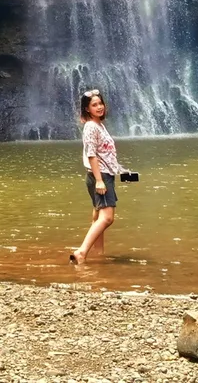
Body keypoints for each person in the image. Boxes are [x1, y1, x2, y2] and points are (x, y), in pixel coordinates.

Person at [69, 88, 123, 265]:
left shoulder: (99, 125)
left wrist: (120, 169)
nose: (99, 107)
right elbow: (91, 154)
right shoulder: (91, 127)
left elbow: (104, 154)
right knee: (107, 218)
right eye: (94, 105)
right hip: (100, 177)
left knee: (97, 217)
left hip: (102, 174)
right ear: (87, 109)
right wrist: (100, 180)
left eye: (100, 103)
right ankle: (81, 252)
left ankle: (99, 255)